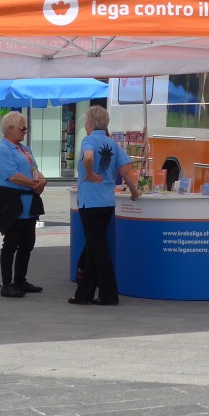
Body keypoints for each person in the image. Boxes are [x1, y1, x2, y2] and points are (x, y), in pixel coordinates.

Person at [70, 105, 139, 305]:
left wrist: (90, 174)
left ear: (90, 123)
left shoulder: (89, 140)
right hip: (107, 203)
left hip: (90, 202)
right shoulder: (112, 143)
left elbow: (89, 157)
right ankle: (84, 294)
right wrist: (134, 191)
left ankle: (109, 295)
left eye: (85, 122)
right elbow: (126, 171)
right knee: (94, 248)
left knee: (99, 249)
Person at [0, 111, 46, 298]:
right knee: (11, 243)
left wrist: (41, 180)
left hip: (28, 203)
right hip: (12, 201)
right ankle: (7, 284)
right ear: (10, 128)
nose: (25, 131)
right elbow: (12, 175)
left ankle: (20, 280)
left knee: (28, 243)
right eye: (23, 128)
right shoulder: (2, 149)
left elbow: (34, 169)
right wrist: (35, 184)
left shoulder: (25, 149)